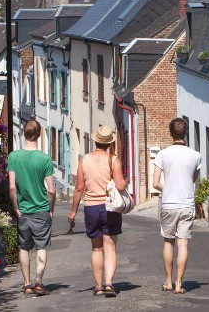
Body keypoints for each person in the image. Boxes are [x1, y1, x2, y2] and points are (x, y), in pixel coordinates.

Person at [68, 125, 126, 297]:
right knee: (110, 248)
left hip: (91, 207)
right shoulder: (113, 160)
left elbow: (79, 189)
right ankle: (109, 284)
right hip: (110, 208)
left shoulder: (84, 160)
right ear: (110, 143)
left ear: (95, 141)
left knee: (97, 249)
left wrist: (73, 212)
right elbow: (121, 185)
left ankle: (98, 286)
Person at [153, 118, 202, 294]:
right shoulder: (196, 155)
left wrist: (169, 188)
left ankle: (168, 281)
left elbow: (155, 183)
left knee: (168, 241)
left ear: (170, 132)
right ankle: (179, 284)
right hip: (186, 203)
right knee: (183, 244)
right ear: (186, 133)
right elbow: (193, 178)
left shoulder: (163, 154)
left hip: (168, 203)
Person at [7, 120, 56, 296]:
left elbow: (12, 187)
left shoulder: (13, 157)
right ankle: (38, 282)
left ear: (24, 134)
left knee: (23, 247)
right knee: (41, 246)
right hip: (41, 208)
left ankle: (27, 284)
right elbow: (51, 190)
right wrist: (51, 209)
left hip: (24, 209)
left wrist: (16, 207)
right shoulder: (44, 159)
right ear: (39, 134)